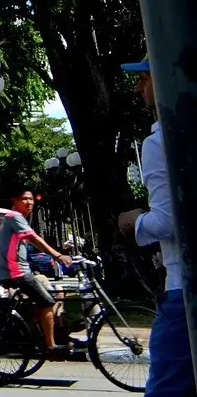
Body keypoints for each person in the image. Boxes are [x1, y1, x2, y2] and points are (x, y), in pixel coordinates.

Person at [116, 56, 191, 397]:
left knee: (166, 388)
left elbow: (167, 221)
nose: (138, 86)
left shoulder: (159, 142)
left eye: (144, 78)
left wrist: (134, 221)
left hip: (182, 288)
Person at [0, 187, 73, 355]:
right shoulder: (14, 216)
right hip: (15, 272)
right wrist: (58, 255)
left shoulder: (17, 218)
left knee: (48, 296)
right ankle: (51, 347)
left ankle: (38, 333)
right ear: (14, 201)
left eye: (31, 199)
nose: (29, 202)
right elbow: (33, 239)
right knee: (47, 302)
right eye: (24, 199)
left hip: (17, 270)